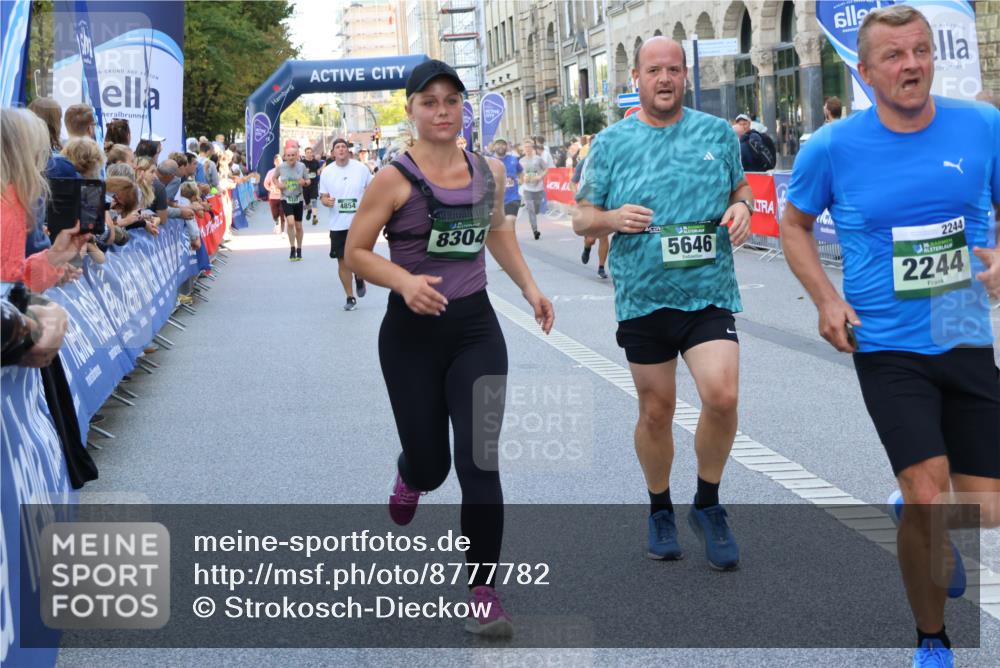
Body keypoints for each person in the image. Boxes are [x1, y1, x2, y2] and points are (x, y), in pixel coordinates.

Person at [780, 6, 1000, 667]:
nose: (912, 65)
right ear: (866, 71)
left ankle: (910, 506)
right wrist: (826, 299)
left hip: (961, 327)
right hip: (885, 340)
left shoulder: (983, 125)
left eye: (921, 51)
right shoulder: (832, 147)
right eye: (896, 56)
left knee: (985, 512)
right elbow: (793, 224)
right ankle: (933, 640)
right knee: (932, 490)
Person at [344, 59, 554, 637]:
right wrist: (405, 282)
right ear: (410, 110)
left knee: (480, 462)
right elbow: (356, 253)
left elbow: (498, 234)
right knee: (434, 466)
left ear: (463, 107)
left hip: (475, 330)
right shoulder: (393, 177)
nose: (441, 111)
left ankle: (483, 590)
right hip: (411, 337)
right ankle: (410, 473)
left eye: (451, 101)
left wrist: (531, 289)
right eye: (428, 102)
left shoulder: (488, 171)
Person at [574, 36, 753, 570]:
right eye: (654, 70)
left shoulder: (717, 134)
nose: (666, 79)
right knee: (657, 411)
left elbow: (740, 190)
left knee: (721, 396)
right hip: (644, 298)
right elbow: (582, 216)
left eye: (674, 69)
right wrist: (609, 219)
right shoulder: (611, 143)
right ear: (637, 78)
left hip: (708, 292)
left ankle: (708, 503)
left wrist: (741, 209)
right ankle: (659, 508)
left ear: (684, 76)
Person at [318, 138, 373, 311]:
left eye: (343, 147)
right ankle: (350, 297)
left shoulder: (361, 169)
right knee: (342, 261)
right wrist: (326, 202)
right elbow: (323, 196)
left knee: (359, 258)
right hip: (338, 224)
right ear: (333, 152)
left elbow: (373, 188)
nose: (341, 150)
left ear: (348, 151)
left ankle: (359, 275)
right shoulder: (327, 172)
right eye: (337, 147)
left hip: (359, 222)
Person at [574, 155, 609, 278]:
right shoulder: (584, 162)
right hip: (587, 202)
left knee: (603, 236)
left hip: (603, 202)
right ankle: (587, 247)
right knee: (591, 239)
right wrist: (578, 197)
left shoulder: (608, 161)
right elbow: (573, 182)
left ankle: (601, 267)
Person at [277, 144, 309, 261]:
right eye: (288, 155)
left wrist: (304, 183)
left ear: (297, 156)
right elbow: (274, 178)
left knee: (299, 226)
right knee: (290, 223)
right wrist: (278, 184)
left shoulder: (302, 166)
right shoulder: (281, 167)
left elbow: (308, 180)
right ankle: (292, 248)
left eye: (293, 155)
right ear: (285, 156)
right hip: (286, 198)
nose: (290, 157)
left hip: (298, 198)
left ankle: (299, 249)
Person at [492, 138, 523, 235]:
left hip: (512, 197)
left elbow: (520, 171)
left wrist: (521, 181)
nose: (501, 146)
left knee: (510, 220)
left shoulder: (513, 159)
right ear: (494, 146)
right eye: (498, 144)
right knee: (499, 225)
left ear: (507, 146)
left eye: (503, 144)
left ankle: (511, 239)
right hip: (495, 199)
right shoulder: (489, 161)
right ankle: (505, 242)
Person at [519, 138, 547, 240]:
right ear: (523, 148)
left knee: (536, 209)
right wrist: (523, 178)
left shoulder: (538, 159)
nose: (527, 149)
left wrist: (540, 176)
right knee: (530, 209)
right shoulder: (521, 161)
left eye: (529, 147)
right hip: (527, 189)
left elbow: (546, 169)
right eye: (525, 147)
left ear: (532, 148)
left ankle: (535, 215)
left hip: (538, 188)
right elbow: (519, 175)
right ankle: (535, 230)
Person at [264, 154, 286, 236]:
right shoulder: (270, 172)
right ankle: (277, 223)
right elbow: (265, 183)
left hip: (283, 196)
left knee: (282, 213)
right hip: (273, 196)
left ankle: (283, 231)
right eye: (277, 161)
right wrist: (270, 189)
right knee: (275, 214)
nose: (278, 162)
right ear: (274, 162)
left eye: (280, 161)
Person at [301, 146, 322, 225]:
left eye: (310, 152)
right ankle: (309, 211)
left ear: (312, 153)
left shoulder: (315, 162)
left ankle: (314, 217)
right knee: (307, 202)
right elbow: (299, 173)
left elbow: (318, 169)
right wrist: (305, 172)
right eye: (307, 153)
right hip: (305, 185)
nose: (309, 154)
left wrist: (319, 171)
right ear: (305, 154)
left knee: (314, 201)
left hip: (314, 184)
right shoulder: (302, 162)